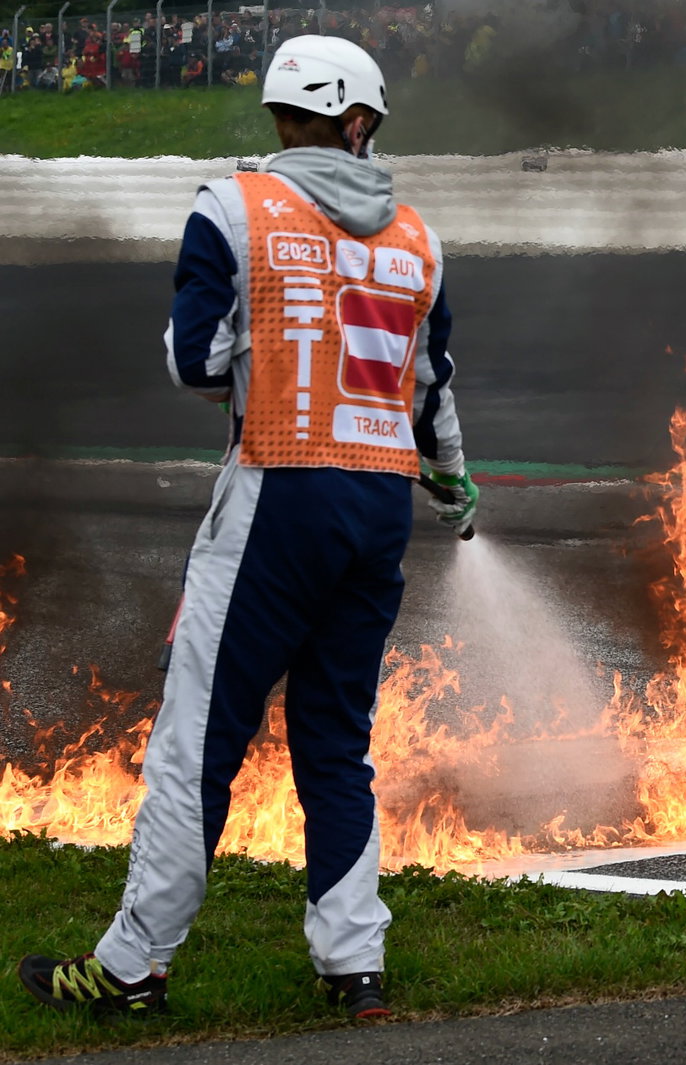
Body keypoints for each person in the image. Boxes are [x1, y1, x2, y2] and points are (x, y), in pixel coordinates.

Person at [16, 33, 478, 1022]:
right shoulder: (417, 239)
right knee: (336, 740)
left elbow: (194, 364)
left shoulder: (234, 206)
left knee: (198, 744)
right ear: (358, 123)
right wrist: (456, 478)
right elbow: (431, 384)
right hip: (382, 505)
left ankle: (135, 964)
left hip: (275, 493)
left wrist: (261, 347)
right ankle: (356, 968)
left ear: (283, 116)